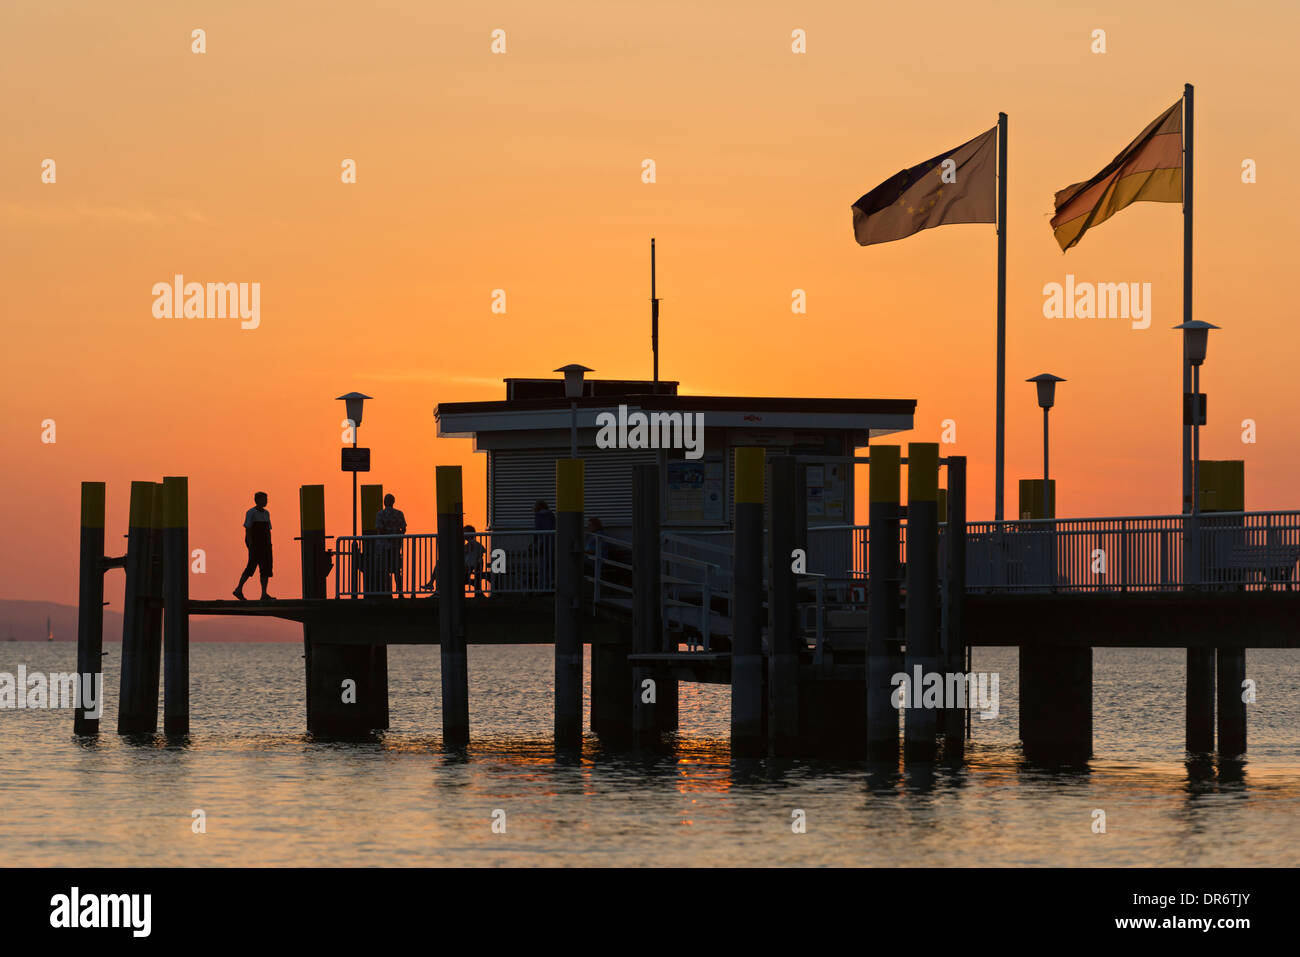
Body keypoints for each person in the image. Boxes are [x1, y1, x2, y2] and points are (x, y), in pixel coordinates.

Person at [234, 492, 274, 601]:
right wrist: (250, 544)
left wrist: (270, 544)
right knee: (251, 567)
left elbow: (268, 530)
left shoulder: (267, 513)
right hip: (256, 545)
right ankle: (238, 589)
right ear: (257, 500)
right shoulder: (251, 512)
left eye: (266, 499)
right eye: (264, 499)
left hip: (266, 545)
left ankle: (264, 594)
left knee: (266, 569)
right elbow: (248, 529)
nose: (266, 501)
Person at [374, 493, 407, 596]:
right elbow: (403, 529)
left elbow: (380, 529)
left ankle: (387, 593)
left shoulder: (380, 514)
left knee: (385, 570)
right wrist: (396, 538)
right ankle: (400, 593)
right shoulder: (399, 514)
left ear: (384, 502)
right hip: (396, 547)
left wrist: (387, 537)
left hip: (383, 547)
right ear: (393, 502)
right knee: (397, 570)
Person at [533, 499, 555, 590]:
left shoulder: (538, 516)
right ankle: (552, 584)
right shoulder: (551, 515)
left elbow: (537, 529)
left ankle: (543, 587)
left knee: (542, 565)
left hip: (542, 543)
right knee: (552, 565)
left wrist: (535, 542)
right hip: (553, 543)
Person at [463, 525, 487, 597]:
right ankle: (477, 590)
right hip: (473, 566)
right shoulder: (476, 544)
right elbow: (483, 550)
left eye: (464, 533)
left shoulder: (471, 545)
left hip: (469, 567)